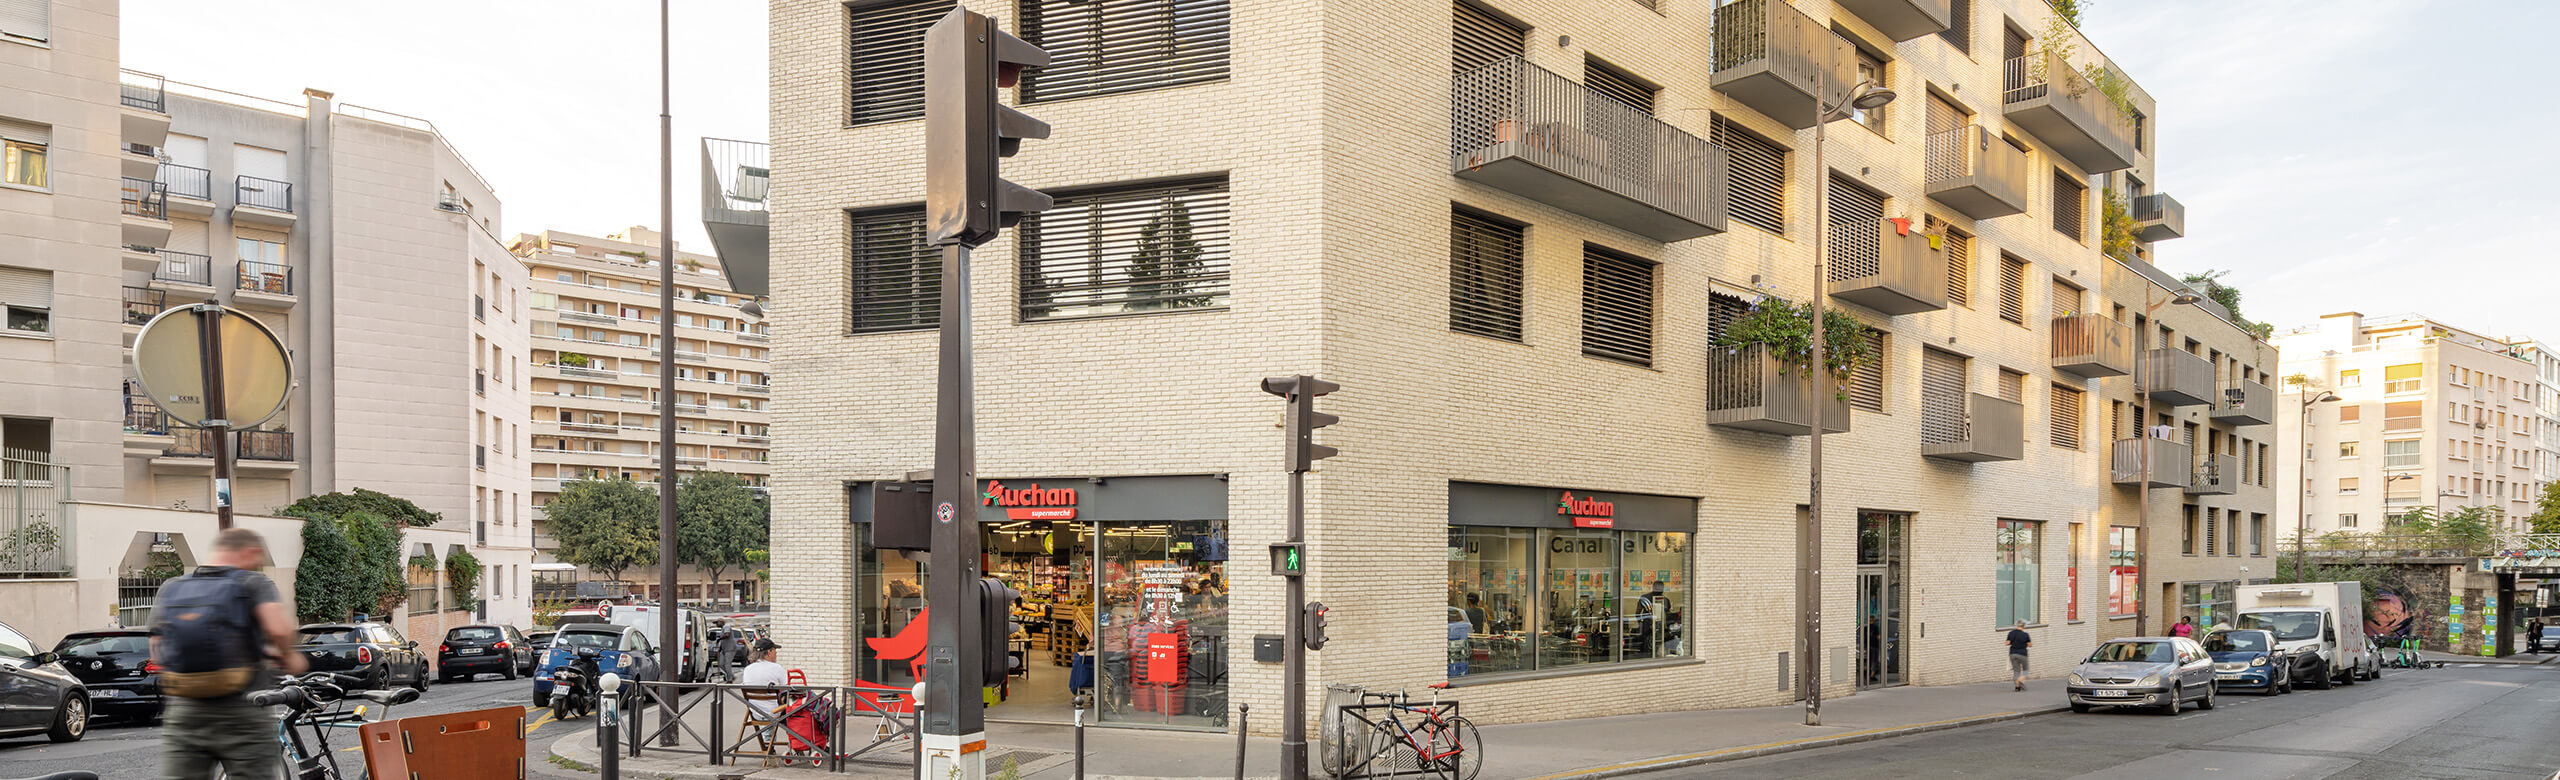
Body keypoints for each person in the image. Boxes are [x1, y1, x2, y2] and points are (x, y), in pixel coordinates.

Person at [155, 528, 308, 780]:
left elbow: (158, 650)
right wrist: (290, 658)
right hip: (243, 710)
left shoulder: (172, 588)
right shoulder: (253, 583)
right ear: (249, 552)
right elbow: (278, 630)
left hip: (184, 710)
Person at [738, 638, 788, 716]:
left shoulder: (748, 669)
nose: (776, 653)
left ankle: (767, 728)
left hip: (755, 712)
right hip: (774, 712)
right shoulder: (777, 668)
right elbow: (785, 689)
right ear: (769, 652)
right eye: (775, 650)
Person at [2005, 621, 2032, 692]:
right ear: (2023, 626)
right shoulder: (2025, 635)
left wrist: (2013, 642)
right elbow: (2030, 645)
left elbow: (2007, 643)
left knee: (2016, 670)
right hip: (2022, 653)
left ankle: (2017, 687)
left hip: (2013, 653)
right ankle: (2020, 680)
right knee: (2026, 670)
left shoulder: (2011, 633)